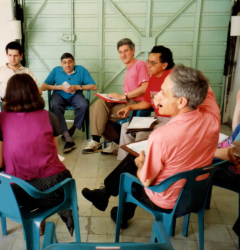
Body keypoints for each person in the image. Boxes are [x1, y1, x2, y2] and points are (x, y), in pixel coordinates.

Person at [82, 65, 220, 228]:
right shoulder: (213, 118)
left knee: (133, 168)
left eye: (163, 93)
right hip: (195, 193)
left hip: (166, 200)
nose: (157, 97)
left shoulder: (162, 136)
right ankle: (104, 195)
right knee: (137, 156)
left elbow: (146, 181)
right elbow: (201, 80)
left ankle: (119, 211)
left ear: (182, 101)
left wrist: (141, 164)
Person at [0, 73, 75, 235]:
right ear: (35, 93)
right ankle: (44, 217)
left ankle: (36, 219)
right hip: (52, 191)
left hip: (16, 194)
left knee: (25, 182)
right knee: (55, 177)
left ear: (9, 94)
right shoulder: (50, 117)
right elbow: (53, 152)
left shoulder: (0, 119)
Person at [83, 38, 149, 155]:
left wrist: (124, 96)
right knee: (98, 105)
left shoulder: (140, 64)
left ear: (133, 51)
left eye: (126, 51)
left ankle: (107, 142)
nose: (123, 54)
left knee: (101, 113)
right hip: (126, 101)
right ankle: (102, 141)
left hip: (136, 104)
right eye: (120, 52)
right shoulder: (128, 69)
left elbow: (145, 87)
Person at [116, 45, 175, 160]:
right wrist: (130, 108)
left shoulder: (173, 78)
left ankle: (142, 166)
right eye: (148, 61)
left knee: (141, 134)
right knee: (125, 127)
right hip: (158, 118)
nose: (148, 65)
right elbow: (147, 102)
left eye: (153, 63)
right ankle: (125, 162)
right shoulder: (152, 78)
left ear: (164, 65)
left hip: (172, 120)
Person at [41, 53, 97, 152]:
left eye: (70, 62)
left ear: (74, 62)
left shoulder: (81, 70)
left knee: (84, 105)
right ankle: (68, 138)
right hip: (59, 95)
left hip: (76, 95)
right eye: (65, 62)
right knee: (55, 105)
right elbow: (44, 86)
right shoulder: (56, 70)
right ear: (61, 64)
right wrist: (60, 87)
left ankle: (73, 129)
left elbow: (93, 86)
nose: (67, 65)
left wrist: (78, 87)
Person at [0, 41, 41, 106]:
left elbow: (39, 91)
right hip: (8, 103)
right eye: (10, 55)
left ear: (21, 56)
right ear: (7, 55)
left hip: (25, 103)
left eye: (15, 56)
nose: (12, 59)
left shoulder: (27, 71)